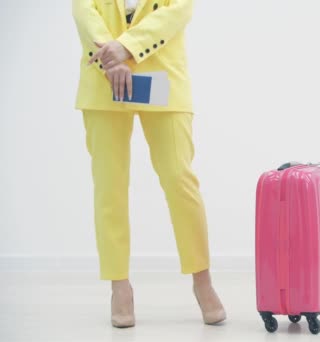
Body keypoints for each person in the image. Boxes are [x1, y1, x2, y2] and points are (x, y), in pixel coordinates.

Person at [72, 0, 226, 328]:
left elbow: (179, 10)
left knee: (179, 180)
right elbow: (85, 12)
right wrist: (110, 61)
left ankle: (203, 281)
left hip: (164, 80)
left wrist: (126, 48)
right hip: (103, 83)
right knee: (109, 187)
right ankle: (119, 286)